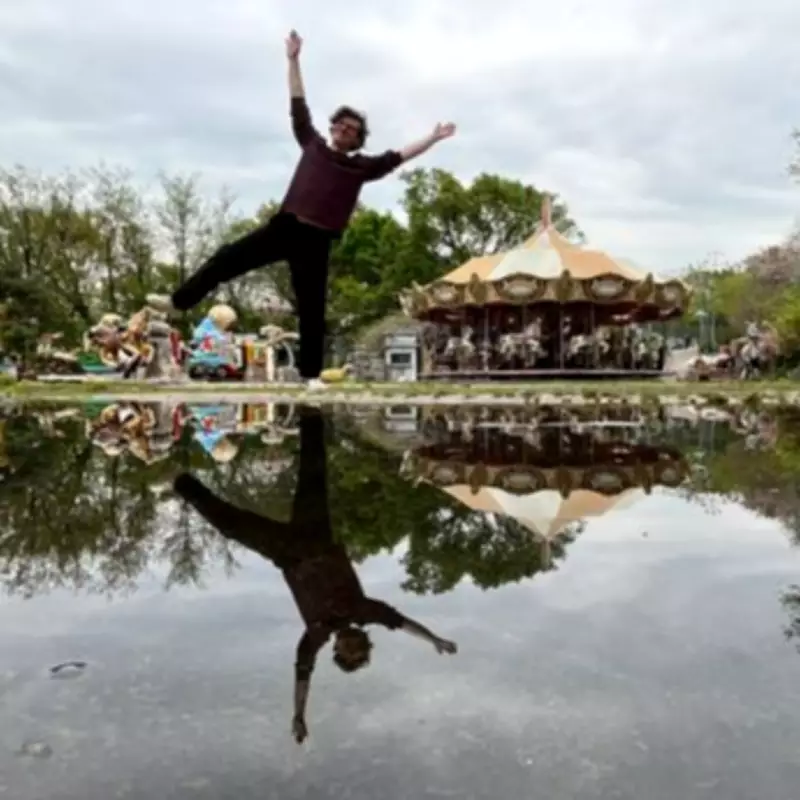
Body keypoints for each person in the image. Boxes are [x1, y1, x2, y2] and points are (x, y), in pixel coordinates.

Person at [148, 30, 457, 390]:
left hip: (317, 240)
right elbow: (298, 102)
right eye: (341, 124)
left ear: (357, 140)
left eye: (352, 129)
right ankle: (178, 302)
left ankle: (311, 376)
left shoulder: (361, 167)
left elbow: (400, 156)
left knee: (312, 307)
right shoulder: (312, 143)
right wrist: (293, 60)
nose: (344, 130)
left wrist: (433, 138)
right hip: (286, 227)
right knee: (226, 257)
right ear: (332, 127)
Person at [172, 405, 458, 744]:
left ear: (337, 649)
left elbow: (303, 674)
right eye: (359, 650)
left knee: (231, 527)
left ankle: (181, 481)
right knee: (312, 478)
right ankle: (311, 416)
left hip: (284, 552)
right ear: (365, 643)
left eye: (347, 652)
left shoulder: (316, 634)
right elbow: (402, 623)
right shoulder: (365, 611)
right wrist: (434, 639)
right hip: (316, 536)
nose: (352, 646)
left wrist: (299, 714)